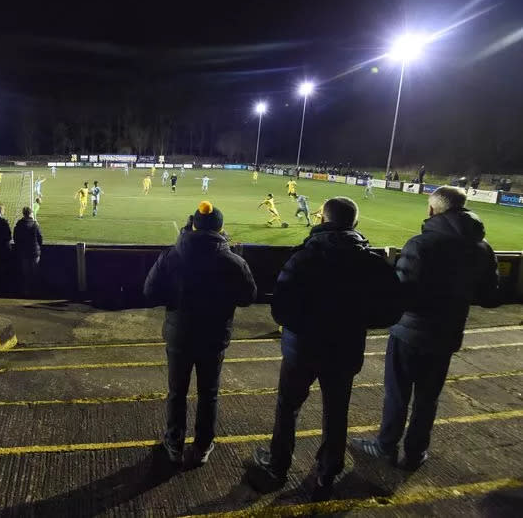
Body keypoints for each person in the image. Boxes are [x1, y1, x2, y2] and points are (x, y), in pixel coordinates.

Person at [247, 197, 403, 501]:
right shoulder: (371, 262)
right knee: (336, 411)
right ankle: (328, 471)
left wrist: (303, 327)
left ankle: (277, 466)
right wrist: (358, 322)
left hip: (301, 350)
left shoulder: (303, 258)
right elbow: (392, 310)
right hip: (344, 351)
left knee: (288, 407)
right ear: (355, 224)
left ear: (322, 220)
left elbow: (280, 308)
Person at [351, 187, 499, 471]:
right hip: (447, 334)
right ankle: (416, 453)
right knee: (428, 398)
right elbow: (490, 297)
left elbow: (399, 293)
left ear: (433, 210)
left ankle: (385, 446)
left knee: (398, 392)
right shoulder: (482, 247)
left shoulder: (420, 244)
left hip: (410, 332)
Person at [144, 201, 257, 466]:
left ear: (192, 225)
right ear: (220, 228)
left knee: (176, 392)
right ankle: (203, 445)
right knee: (209, 393)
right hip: (214, 337)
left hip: (179, 335)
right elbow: (248, 298)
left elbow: (149, 293)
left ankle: (174, 444)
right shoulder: (233, 260)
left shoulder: (172, 256)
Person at [13, 206, 43, 297]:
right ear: (30, 213)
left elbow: (15, 238)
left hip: (24, 252)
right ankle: (36, 291)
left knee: (26, 273)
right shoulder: (35, 224)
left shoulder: (19, 224)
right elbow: (40, 238)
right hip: (34, 252)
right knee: (35, 272)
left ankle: (27, 290)